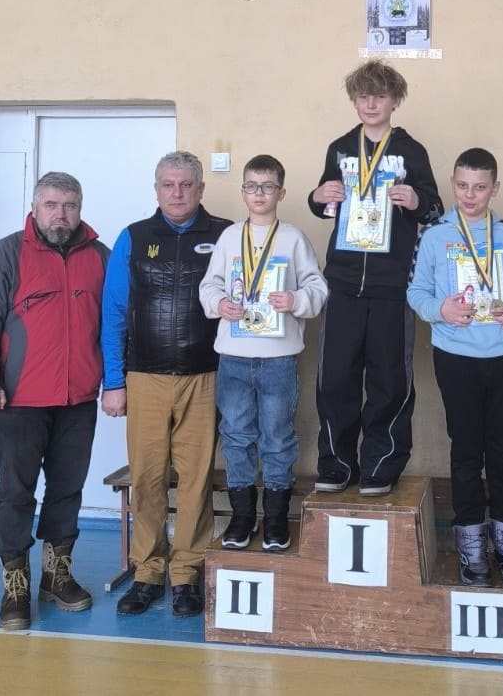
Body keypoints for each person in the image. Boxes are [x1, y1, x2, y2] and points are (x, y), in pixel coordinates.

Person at [0, 172, 108, 631]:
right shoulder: (3, 256)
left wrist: (117, 382)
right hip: (19, 398)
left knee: (67, 489)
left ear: (80, 208)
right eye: (51, 205)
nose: (60, 214)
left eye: (69, 205)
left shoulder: (100, 257)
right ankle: (16, 584)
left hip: (78, 398)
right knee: (15, 492)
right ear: (35, 206)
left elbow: (117, 323)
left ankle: (56, 576)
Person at [102, 150, 232, 618]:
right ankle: (148, 571)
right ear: (156, 189)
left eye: (186, 185)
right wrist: (113, 381)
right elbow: (114, 312)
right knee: (147, 477)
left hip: (206, 376)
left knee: (196, 480)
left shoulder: (226, 235)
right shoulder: (133, 237)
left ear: (201, 188)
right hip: (145, 377)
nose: (177, 194)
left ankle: (187, 574)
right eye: (168, 185)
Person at [308, 59, 443, 496]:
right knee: (335, 379)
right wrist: (318, 196)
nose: (371, 104)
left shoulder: (412, 151)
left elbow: (435, 209)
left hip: (392, 286)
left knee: (389, 380)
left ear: (395, 101)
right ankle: (336, 465)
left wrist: (416, 200)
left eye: (380, 96)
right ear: (354, 100)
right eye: (363, 96)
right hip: (344, 284)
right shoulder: (339, 148)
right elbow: (324, 204)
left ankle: (381, 466)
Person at [408, 148, 503, 586]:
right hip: (456, 355)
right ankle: (472, 544)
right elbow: (416, 292)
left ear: (495, 188)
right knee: (465, 451)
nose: (470, 195)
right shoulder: (435, 235)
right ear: (452, 184)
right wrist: (440, 310)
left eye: (480, 187)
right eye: (462, 186)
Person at [199, 154, 327, 551]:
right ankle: (241, 517)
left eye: (268, 186)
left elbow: (318, 289)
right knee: (236, 436)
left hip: (278, 358)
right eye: (252, 186)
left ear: (281, 193)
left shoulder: (293, 238)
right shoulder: (229, 238)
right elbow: (209, 286)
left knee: (277, 437)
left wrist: (296, 299)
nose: (259, 193)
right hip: (234, 356)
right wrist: (219, 304)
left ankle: (275, 519)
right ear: (242, 191)